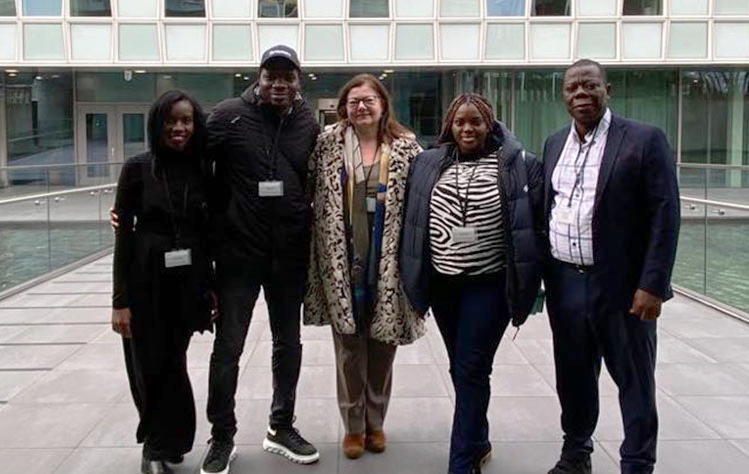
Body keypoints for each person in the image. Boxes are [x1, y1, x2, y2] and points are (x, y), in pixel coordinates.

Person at [541, 59, 680, 474]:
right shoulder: (553, 144)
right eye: (572, 88)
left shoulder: (643, 139)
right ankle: (576, 454)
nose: (581, 94)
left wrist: (653, 285)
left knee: (634, 379)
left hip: (621, 287)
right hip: (565, 283)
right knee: (574, 376)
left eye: (590, 86)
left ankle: (637, 462)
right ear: (563, 95)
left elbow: (665, 214)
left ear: (608, 90)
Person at [400, 93, 544, 474]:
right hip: (444, 285)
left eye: (476, 121)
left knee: (472, 369)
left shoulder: (514, 164)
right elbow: (412, 222)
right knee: (461, 367)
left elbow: (533, 224)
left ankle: (461, 463)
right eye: (460, 122)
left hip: (489, 285)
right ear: (450, 125)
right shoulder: (428, 163)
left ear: (490, 125)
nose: (467, 128)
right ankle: (478, 441)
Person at [200, 45, 321, 474]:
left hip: (288, 255)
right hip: (238, 254)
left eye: (287, 77)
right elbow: (190, 166)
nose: (279, 84)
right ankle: (222, 437)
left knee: (288, 344)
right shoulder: (228, 114)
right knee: (228, 347)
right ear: (259, 77)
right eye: (271, 76)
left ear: (298, 81)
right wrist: (135, 197)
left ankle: (281, 425)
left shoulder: (308, 121)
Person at [304, 74, 425, 459]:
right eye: (354, 101)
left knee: (383, 347)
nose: (361, 107)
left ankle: (377, 422)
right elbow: (304, 192)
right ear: (343, 108)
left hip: (388, 261)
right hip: (343, 261)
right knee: (349, 349)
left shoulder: (407, 148)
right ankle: (353, 427)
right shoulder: (326, 145)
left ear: (383, 104)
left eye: (368, 99)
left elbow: (423, 200)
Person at [111, 90, 214, 474]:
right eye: (172, 120)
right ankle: (154, 445)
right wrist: (119, 300)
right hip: (145, 280)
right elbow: (123, 236)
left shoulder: (203, 169)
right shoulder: (137, 168)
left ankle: (174, 440)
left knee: (173, 362)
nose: (179, 128)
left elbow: (210, 233)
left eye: (186, 120)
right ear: (158, 123)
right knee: (147, 365)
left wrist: (210, 288)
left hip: (188, 283)